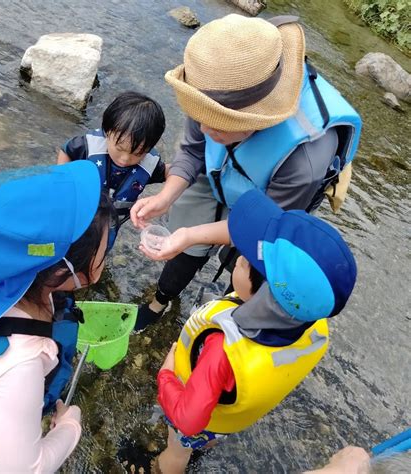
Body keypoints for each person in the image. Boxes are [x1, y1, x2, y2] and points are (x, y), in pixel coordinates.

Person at [130, 14, 361, 331]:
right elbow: (195, 149)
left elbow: (267, 227)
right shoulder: (215, 81)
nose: (204, 128)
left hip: (271, 207)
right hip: (217, 173)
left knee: (246, 271)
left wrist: (190, 235)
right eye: (201, 116)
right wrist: (167, 196)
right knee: (185, 242)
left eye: (220, 124)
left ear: (260, 116)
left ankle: (227, 327)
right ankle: (161, 300)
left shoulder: (306, 156)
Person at [154, 188, 357, 473]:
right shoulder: (309, 319)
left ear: (266, 298)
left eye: (244, 260)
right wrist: (189, 235)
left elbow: (188, 419)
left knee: (177, 450)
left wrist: (165, 376)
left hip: (195, 410)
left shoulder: (222, 350)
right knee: (208, 436)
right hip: (227, 419)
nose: (236, 258)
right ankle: (206, 445)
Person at [0, 161, 115, 473]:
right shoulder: (22, 362)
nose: (108, 248)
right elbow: (23, 469)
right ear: (63, 271)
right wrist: (70, 427)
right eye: (104, 245)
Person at [58, 91, 168, 250]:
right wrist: (63, 182)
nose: (124, 159)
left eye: (137, 153)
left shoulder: (149, 164)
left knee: (97, 256)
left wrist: (162, 199)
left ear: (149, 148)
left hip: (108, 226)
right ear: (108, 131)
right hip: (78, 213)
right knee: (58, 247)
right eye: (120, 148)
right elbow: (66, 150)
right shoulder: (88, 146)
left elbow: (174, 172)